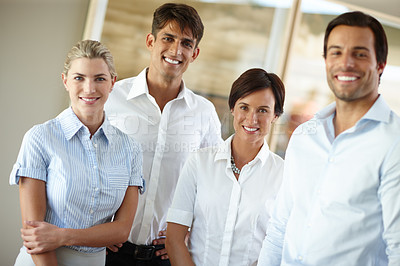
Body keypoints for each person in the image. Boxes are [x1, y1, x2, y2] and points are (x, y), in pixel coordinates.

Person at [258, 11, 400, 265]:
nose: (345, 63)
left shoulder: (394, 142)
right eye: (336, 52)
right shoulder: (304, 136)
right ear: (326, 61)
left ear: (380, 64)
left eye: (359, 53)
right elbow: (280, 228)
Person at [104, 3, 222, 265]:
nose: (176, 50)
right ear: (150, 41)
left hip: (164, 258)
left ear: (195, 53)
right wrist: (96, 222)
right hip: (107, 252)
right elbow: (84, 162)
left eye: (186, 43)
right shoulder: (112, 99)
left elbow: (215, 183)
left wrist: (189, 231)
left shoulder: (204, 113)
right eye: (168, 38)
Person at [9, 40, 144, 266]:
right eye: (79, 78)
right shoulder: (40, 138)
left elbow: (121, 230)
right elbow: (34, 234)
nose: (89, 89)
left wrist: (63, 235)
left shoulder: (130, 150)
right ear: (65, 81)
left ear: (113, 82)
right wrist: (100, 234)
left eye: (99, 78)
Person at [166, 68, 285, 266]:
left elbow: (280, 247)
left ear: (275, 115)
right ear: (232, 108)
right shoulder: (199, 162)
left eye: (263, 110)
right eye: (244, 107)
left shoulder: (284, 175)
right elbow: (174, 239)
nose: (252, 119)